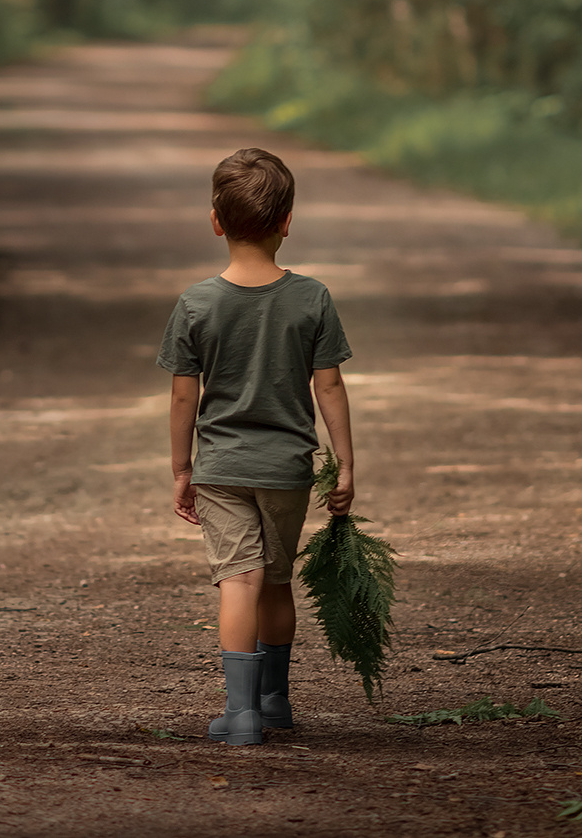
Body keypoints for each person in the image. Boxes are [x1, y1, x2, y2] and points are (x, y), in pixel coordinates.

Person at [157, 144, 355, 746]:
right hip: (287, 468)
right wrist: (344, 465)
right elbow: (331, 384)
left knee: (236, 583)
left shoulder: (197, 303)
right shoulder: (312, 297)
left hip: (220, 466)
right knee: (275, 581)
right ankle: (275, 703)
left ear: (216, 222)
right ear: (287, 222)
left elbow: (183, 398)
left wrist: (181, 469)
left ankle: (240, 715)